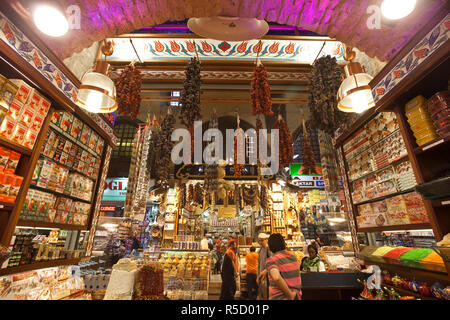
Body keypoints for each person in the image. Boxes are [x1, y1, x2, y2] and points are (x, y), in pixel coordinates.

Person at [265, 233, 302, 300]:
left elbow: (276, 277)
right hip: (296, 296)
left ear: (270, 246)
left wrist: (289, 294)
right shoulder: (293, 257)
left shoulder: (271, 260)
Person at [256, 233, 271, 299]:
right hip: (261, 276)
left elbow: (271, 263)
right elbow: (259, 264)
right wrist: (258, 275)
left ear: (266, 240)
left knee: (266, 295)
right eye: (259, 240)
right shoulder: (260, 250)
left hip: (267, 277)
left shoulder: (268, 249)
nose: (260, 242)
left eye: (262, 240)